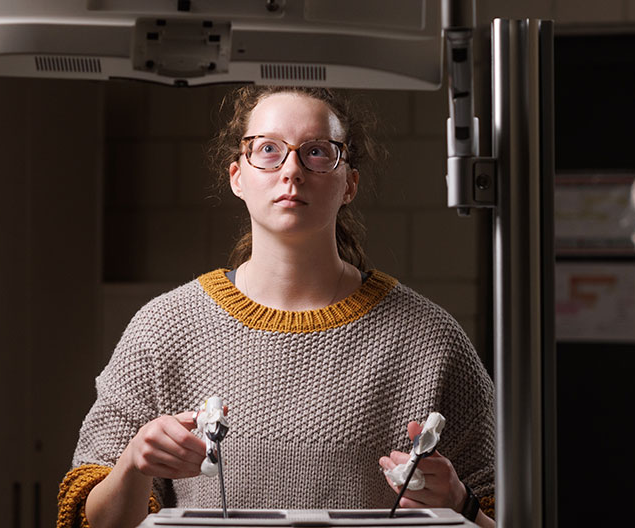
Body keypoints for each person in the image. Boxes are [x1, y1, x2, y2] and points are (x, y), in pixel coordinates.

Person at [57, 86, 496, 528]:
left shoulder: (430, 339)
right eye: (267, 149)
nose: (292, 170)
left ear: (350, 183)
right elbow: (88, 521)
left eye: (317, 152)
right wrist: (134, 462)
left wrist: (461, 502)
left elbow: (503, 512)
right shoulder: (164, 328)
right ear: (237, 177)